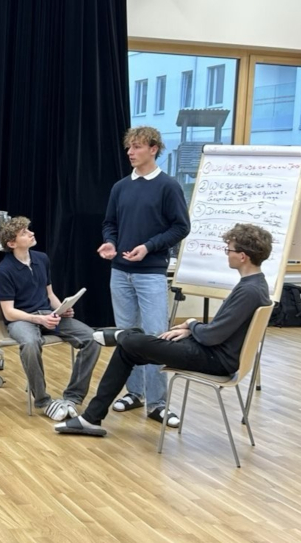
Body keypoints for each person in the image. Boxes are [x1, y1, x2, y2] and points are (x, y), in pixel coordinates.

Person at [57, 223, 273, 437]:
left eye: (229, 250)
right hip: (211, 351)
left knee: (132, 341)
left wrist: (191, 323)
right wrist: (191, 330)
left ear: (242, 256)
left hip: (214, 359)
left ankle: (123, 335)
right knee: (128, 350)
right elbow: (220, 330)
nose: (227, 254)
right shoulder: (255, 285)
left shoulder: (249, 291)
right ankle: (91, 418)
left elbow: (212, 335)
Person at [97, 126, 190, 427]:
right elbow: (110, 223)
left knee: (155, 336)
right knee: (128, 335)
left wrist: (148, 247)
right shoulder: (120, 187)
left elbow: (181, 227)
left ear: (153, 149)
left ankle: (158, 402)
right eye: (129, 147)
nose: (130, 152)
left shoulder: (168, 186)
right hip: (119, 273)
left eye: (137, 146)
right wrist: (110, 242)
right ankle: (134, 393)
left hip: (150, 274)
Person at [0, 216, 102, 421]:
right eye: (24, 233)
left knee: (93, 339)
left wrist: (62, 309)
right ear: (12, 243)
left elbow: (50, 294)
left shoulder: (41, 259)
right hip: (21, 319)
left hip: (48, 314)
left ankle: (73, 397)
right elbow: (9, 312)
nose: (31, 233)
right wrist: (39, 320)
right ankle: (43, 401)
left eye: (29, 229)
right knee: (30, 343)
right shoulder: (4, 270)